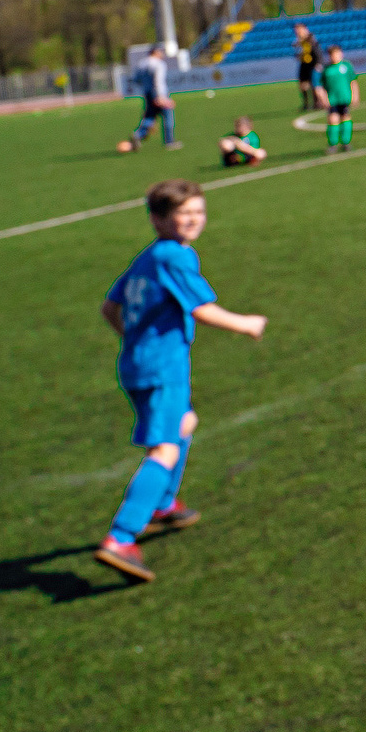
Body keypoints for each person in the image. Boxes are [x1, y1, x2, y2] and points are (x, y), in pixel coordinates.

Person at [93, 178, 268, 582]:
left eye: (198, 212)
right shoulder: (176, 256)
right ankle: (121, 536)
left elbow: (109, 307)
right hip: (162, 369)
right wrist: (246, 324)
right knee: (164, 449)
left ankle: (164, 505)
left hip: (137, 364)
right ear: (158, 220)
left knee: (184, 423)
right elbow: (201, 308)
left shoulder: (148, 258)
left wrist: (135, 340)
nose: (192, 220)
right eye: (182, 214)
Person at [125, 47, 179, 152]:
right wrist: (160, 97)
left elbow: (136, 79)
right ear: (155, 52)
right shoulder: (159, 64)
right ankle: (170, 141)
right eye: (161, 52)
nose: (162, 54)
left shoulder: (142, 63)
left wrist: (146, 87)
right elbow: (158, 80)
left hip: (147, 92)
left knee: (150, 116)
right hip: (159, 93)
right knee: (167, 115)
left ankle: (138, 134)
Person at [317, 45, 357, 154]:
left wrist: (355, 95)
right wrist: (323, 99)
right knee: (333, 120)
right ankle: (333, 144)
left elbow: (353, 81)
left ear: (341, 54)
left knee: (345, 118)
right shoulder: (327, 69)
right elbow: (321, 86)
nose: (335, 56)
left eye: (337, 54)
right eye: (332, 55)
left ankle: (346, 142)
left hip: (344, 98)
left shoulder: (346, 66)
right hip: (332, 99)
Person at [294, 24, 323, 115]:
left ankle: (317, 103)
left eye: (299, 30)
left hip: (312, 64)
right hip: (304, 64)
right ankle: (306, 104)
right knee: (303, 85)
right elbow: (298, 50)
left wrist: (318, 63)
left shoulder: (310, 37)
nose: (297, 32)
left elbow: (317, 50)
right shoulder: (299, 40)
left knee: (314, 84)